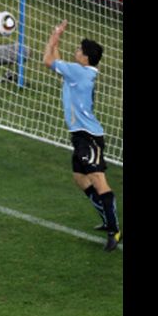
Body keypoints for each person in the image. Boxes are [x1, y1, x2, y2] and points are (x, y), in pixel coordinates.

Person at [43, 20, 121, 252]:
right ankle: (107, 218)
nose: (75, 51)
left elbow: (48, 61)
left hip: (88, 136)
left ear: (86, 57)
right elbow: (57, 62)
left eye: (79, 50)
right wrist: (56, 36)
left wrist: (52, 39)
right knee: (80, 179)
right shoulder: (80, 72)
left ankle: (114, 229)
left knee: (98, 179)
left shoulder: (79, 72)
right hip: (79, 136)